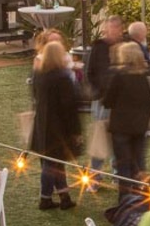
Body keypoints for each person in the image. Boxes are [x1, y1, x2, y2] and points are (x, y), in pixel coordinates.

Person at [29, 39, 83, 210]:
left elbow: (35, 96)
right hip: (59, 127)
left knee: (54, 162)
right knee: (52, 163)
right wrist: (76, 131)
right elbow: (69, 107)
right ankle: (45, 197)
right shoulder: (62, 78)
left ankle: (64, 195)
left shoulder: (38, 75)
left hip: (42, 123)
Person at [101, 42, 150, 197]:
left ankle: (125, 199)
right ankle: (140, 197)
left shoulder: (118, 76)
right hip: (139, 126)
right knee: (139, 164)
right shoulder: (143, 76)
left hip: (121, 126)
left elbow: (107, 101)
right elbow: (148, 102)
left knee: (123, 164)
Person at [84, 15, 126, 102]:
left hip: (122, 95)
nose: (114, 30)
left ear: (121, 29)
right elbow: (90, 71)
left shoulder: (126, 46)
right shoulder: (98, 46)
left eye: (116, 27)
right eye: (111, 27)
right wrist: (98, 89)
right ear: (106, 29)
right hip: (101, 94)